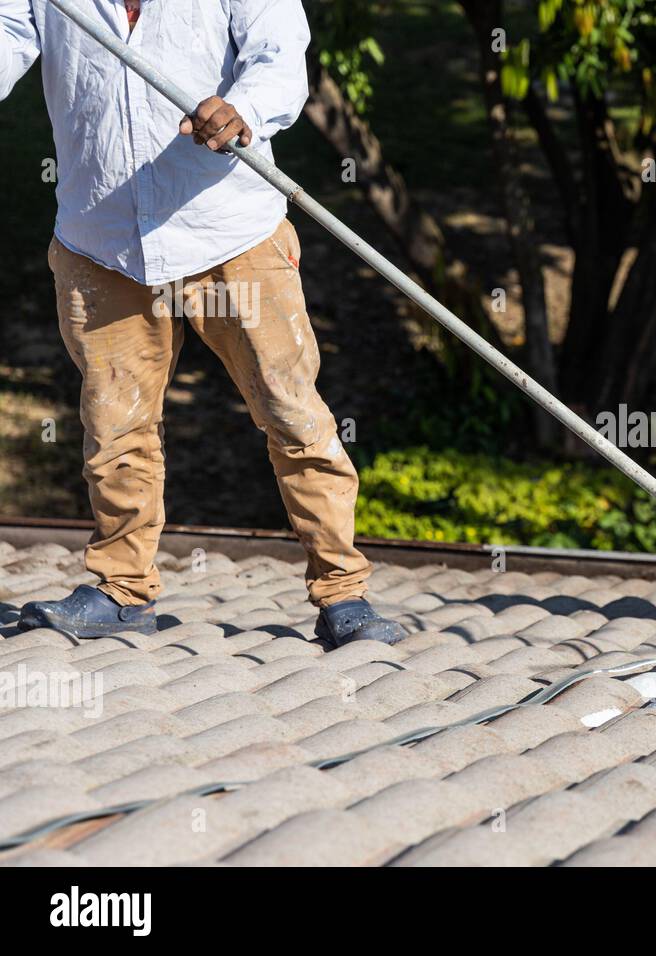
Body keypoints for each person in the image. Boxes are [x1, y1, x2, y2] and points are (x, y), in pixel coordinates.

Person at [0, 0, 406, 646]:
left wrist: (243, 108)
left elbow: (277, 56)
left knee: (290, 409)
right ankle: (121, 589)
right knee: (114, 423)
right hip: (99, 235)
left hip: (229, 230)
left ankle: (342, 591)